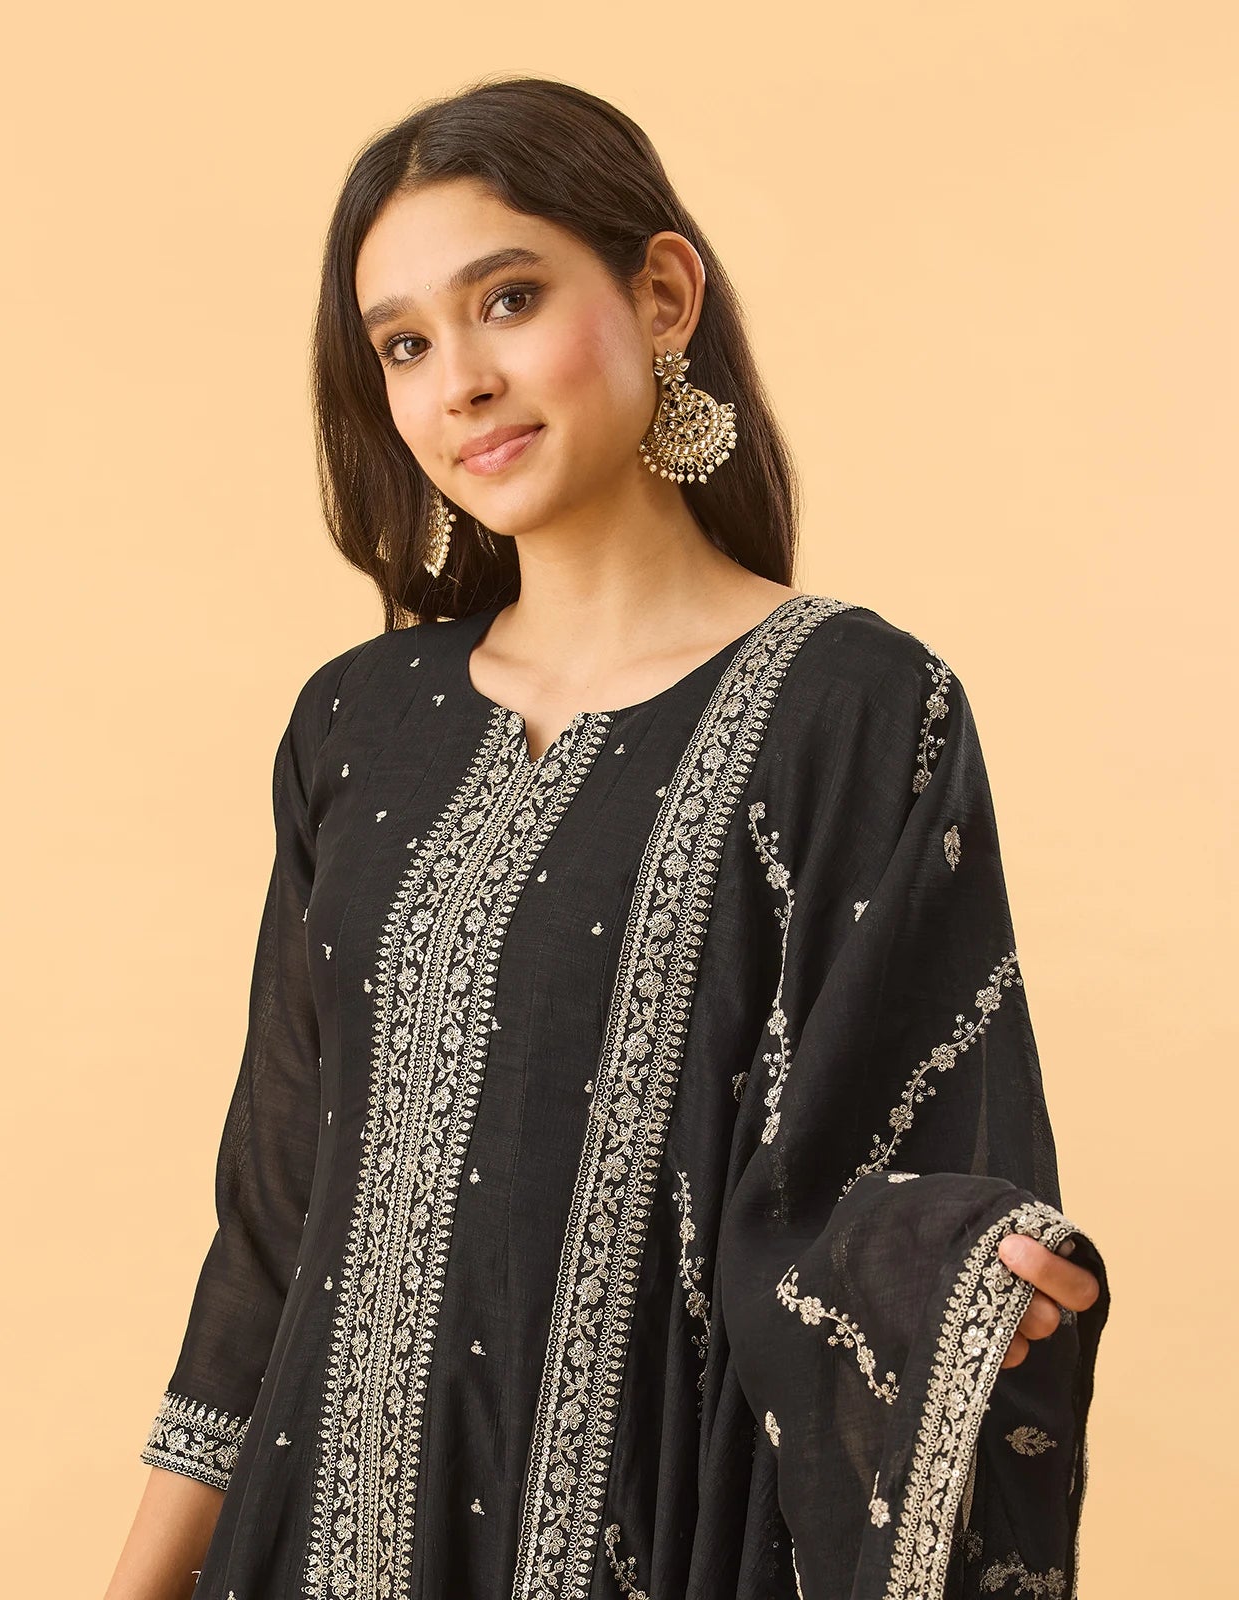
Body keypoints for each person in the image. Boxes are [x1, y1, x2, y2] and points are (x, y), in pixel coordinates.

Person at [105, 75, 1109, 1600]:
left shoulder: (851, 710)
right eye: (404, 345)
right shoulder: (356, 726)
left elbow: (882, 1167)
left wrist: (955, 1291)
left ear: (661, 296)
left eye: (507, 300)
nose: (461, 382)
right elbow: (272, 1232)